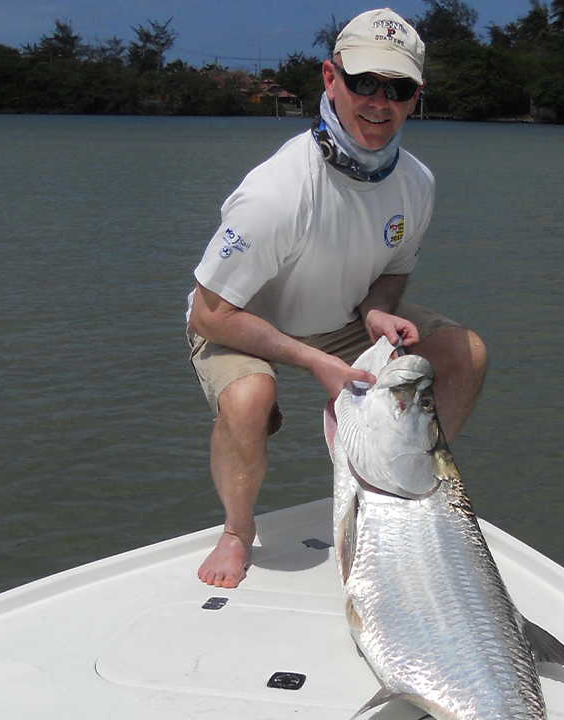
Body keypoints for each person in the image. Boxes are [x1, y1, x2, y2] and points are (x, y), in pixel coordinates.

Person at [185, 8, 487, 588]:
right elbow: (209, 311)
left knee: (465, 353)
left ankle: (402, 496)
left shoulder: (416, 184)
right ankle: (235, 532)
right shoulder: (279, 191)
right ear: (330, 79)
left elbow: (395, 270)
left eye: (396, 88)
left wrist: (377, 308)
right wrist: (312, 361)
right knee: (250, 398)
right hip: (241, 318)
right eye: (363, 83)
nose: (379, 101)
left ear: (415, 96)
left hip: (344, 315)